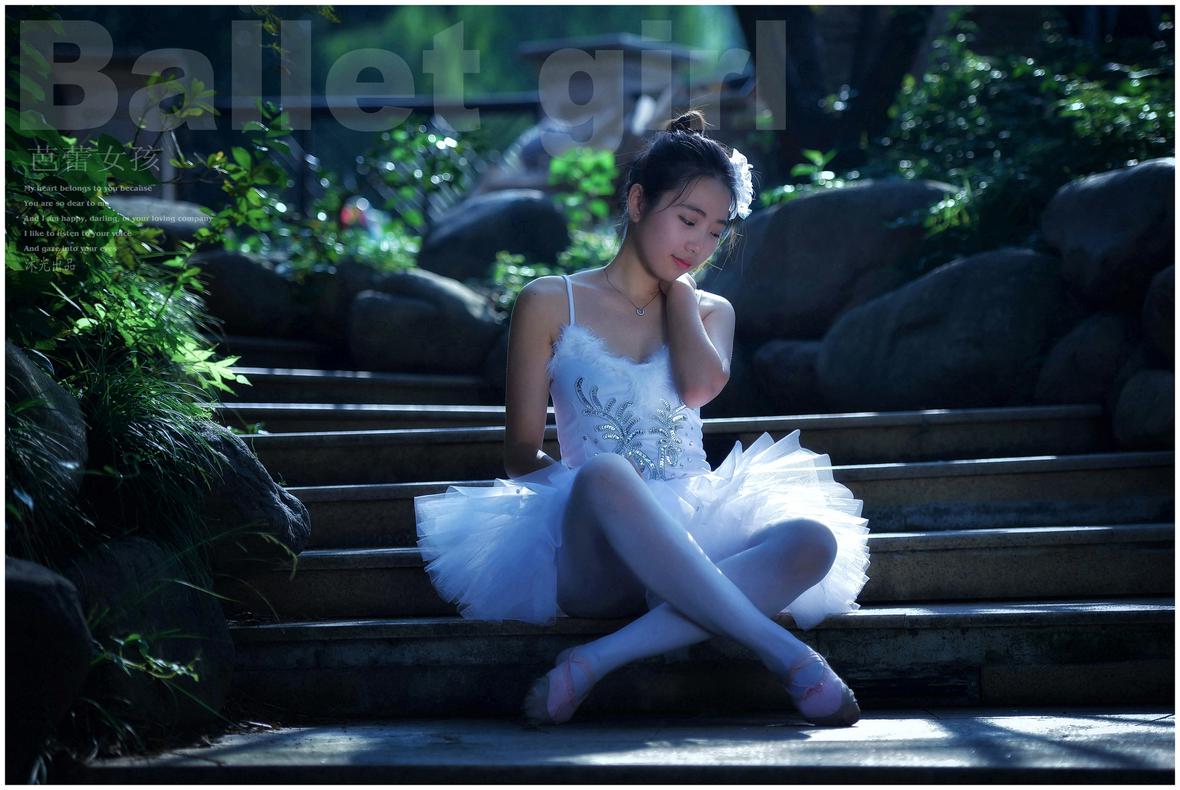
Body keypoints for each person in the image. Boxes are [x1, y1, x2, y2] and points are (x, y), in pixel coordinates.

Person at [415, 110, 871, 727]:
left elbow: (700, 388)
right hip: (594, 549)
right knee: (605, 472)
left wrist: (679, 295)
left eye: (715, 232)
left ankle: (595, 660)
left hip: (695, 522)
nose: (699, 245)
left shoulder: (711, 310)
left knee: (813, 542)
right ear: (636, 202)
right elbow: (520, 454)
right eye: (688, 220)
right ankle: (787, 655)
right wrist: (596, 496)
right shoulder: (550, 299)